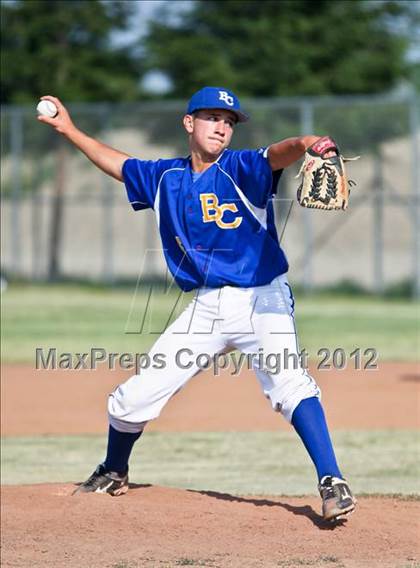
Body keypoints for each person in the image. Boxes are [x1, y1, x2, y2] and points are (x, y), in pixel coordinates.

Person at [38, 87, 356, 521]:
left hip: (263, 299)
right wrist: (69, 129)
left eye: (229, 121)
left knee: (291, 385)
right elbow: (118, 163)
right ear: (189, 123)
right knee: (133, 398)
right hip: (207, 307)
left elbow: (278, 154)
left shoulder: (241, 167)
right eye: (212, 117)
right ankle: (114, 470)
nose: (222, 127)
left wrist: (309, 144)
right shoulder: (165, 177)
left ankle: (332, 481)